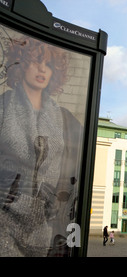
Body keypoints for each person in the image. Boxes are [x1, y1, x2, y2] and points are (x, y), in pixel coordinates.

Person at [0, 35, 83, 257]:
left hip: (42, 230)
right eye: (36, 61)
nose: (42, 69)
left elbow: (73, 173)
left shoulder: (64, 119)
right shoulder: (3, 108)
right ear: (21, 64)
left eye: (48, 64)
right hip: (3, 223)